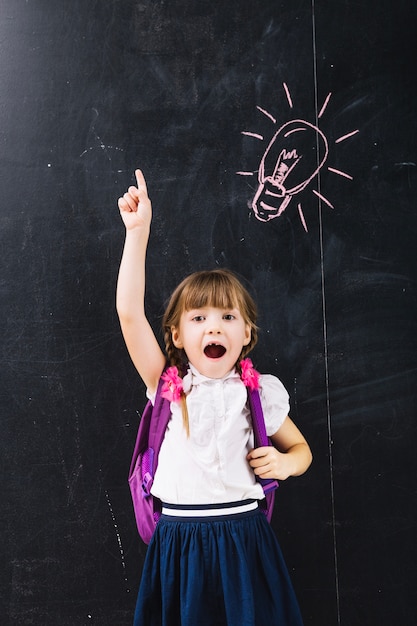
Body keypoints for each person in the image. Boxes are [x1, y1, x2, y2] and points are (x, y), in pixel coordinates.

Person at [116, 169, 312, 626]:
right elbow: (128, 314)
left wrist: (285, 464)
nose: (214, 327)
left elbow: (301, 450)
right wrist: (137, 234)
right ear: (177, 336)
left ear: (246, 333)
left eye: (227, 316)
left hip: (244, 538)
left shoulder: (259, 393)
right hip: (178, 540)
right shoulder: (169, 387)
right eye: (199, 317)